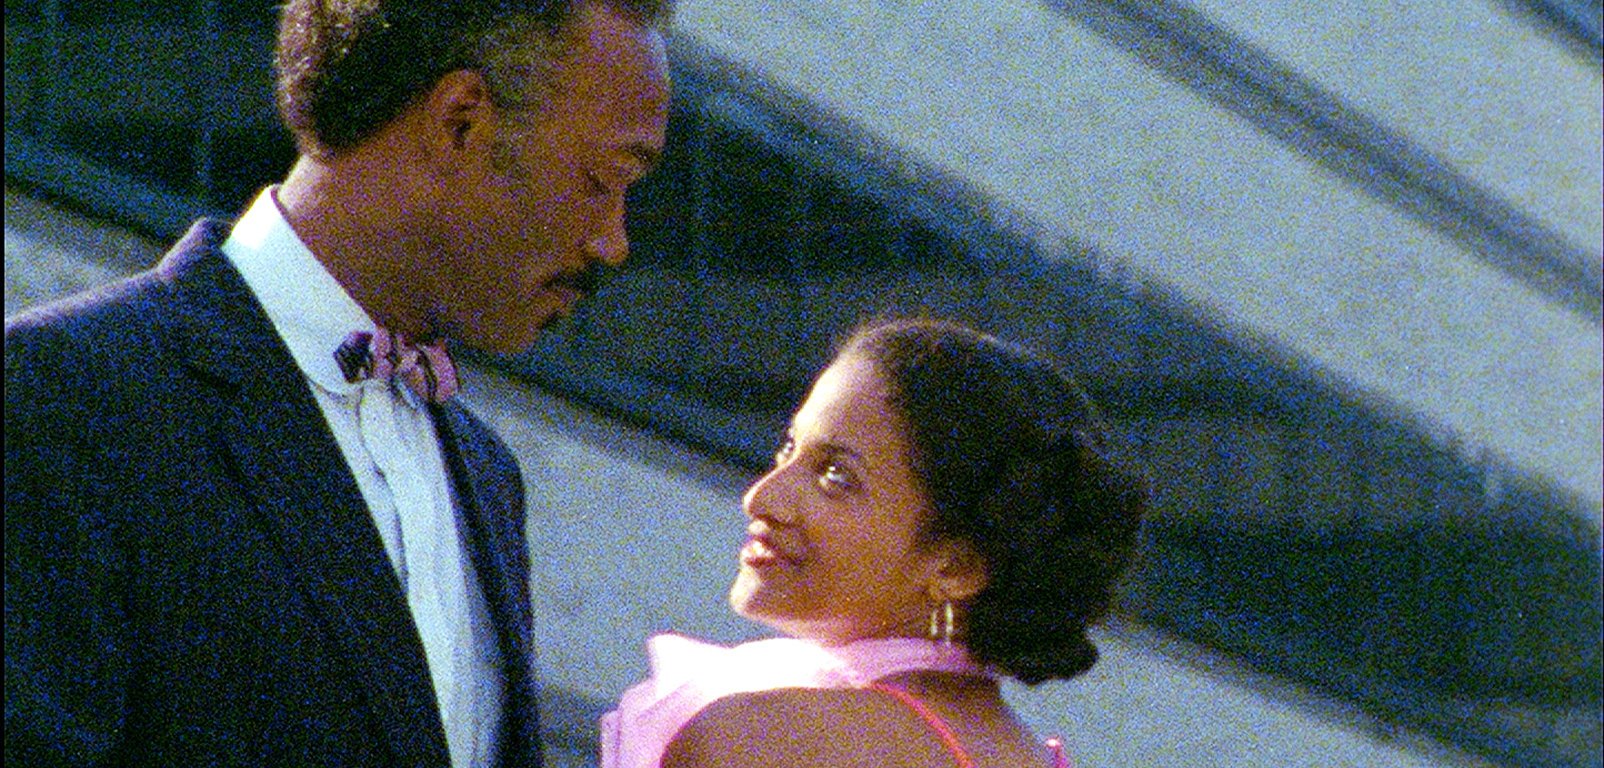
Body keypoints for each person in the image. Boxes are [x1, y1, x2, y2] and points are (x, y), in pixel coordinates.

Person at [4, 0, 671, 765]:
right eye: (603, 179)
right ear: (459, 121)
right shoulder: (61, 394)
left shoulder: (490, 478)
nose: (615, 242)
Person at [602, 317, 1149, 768]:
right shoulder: (1021, 753)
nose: (761, 497)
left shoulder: (767, 739)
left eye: (835, 476)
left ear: (956, 567)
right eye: (787, 450)